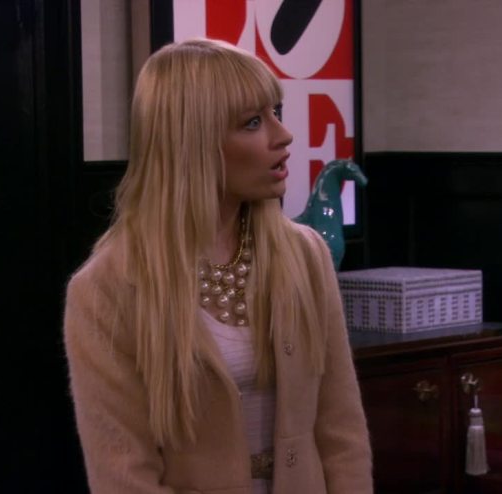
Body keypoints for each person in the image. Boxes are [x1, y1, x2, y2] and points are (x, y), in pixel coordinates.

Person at [63, 38, 372, 493]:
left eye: (275, 113)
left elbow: (342, 433)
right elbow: (123, 475)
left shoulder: (305, 255)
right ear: (192, 144)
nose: (282, 136)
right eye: (253, 122)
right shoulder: (108, 286)